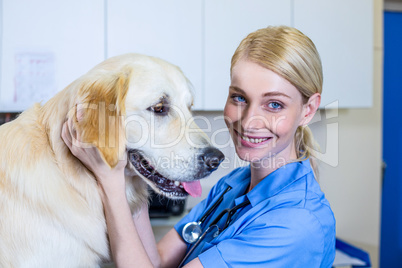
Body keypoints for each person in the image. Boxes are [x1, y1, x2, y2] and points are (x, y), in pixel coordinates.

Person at [62, 25, 336, 267]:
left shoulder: (296, 224)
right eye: (239, 98)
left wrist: (110, 180)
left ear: (308, 110)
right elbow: (155, 260)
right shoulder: (233, 186)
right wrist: (139, 165)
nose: (249, 120)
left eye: (274, 104)